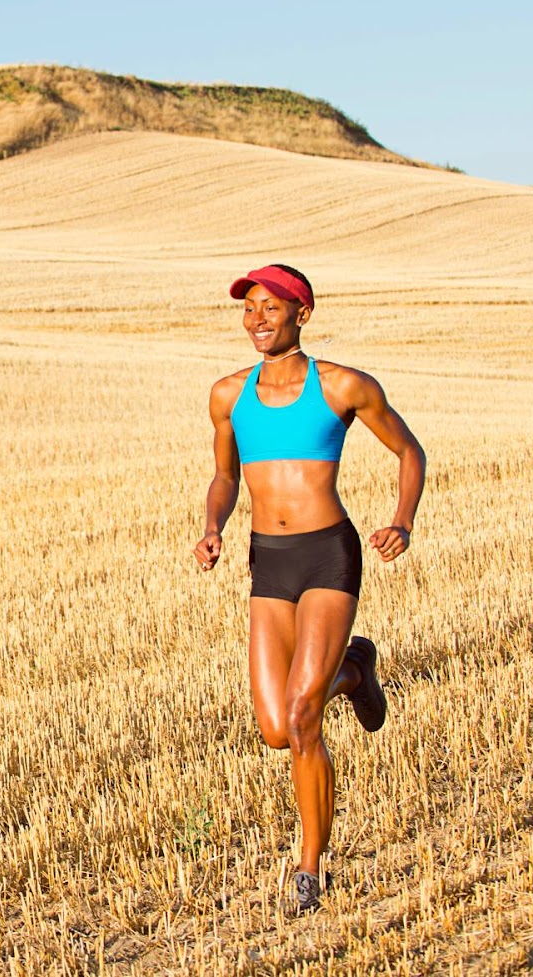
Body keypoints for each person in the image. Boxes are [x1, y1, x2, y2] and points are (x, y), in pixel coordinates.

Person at [193, 264, 425, 914]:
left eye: (271, 306)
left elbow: (409, 451)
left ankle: (311, 867)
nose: (257, 318)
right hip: (270, 561)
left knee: (302, 717)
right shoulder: (226, 395)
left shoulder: (344, 386)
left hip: (328, 553)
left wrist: (401, 519)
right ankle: (356, 668)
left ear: (304, 312)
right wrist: (212, 525)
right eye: (248, 308)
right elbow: (223, 475)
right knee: (274, 728)